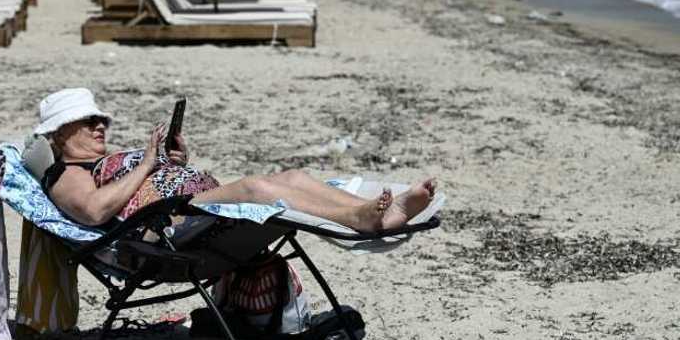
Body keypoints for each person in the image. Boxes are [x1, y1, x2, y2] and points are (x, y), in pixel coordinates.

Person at [34, 88, 436, 231]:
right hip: (161, 227)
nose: (100, 126)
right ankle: (357, 218)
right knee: (254, 189)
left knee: (292, 175)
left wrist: (174, 162)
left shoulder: (104, 161)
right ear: (58, 134)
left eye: (100, 119)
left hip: (186, 204)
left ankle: (374, 211)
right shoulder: (66, 173)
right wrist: (146, 164)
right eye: (88, 122)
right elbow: (93, 213)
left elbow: (142, 182)